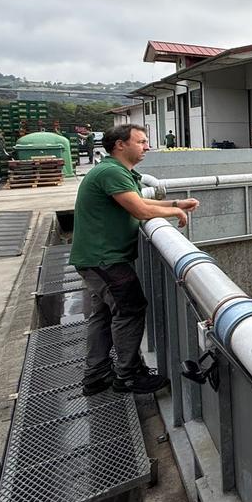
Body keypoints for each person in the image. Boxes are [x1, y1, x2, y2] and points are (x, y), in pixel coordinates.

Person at [69, 124, 199, 395]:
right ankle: (127, 375)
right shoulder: (112, 172)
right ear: (120, 145)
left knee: (104, 313)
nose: (147, 147)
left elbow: (139, 202)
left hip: (97, 257)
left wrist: (176, 204)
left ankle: (96, 374)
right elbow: (140, 210)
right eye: (141, 142)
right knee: (130, 309)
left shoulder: (114, 171)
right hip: (105, 259)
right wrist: (175, 212)